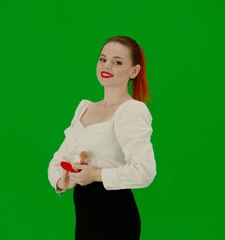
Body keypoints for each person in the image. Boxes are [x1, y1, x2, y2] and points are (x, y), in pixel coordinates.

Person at [47, 36, 156, 240]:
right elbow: (58, 159)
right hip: (85, 216)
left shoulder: (131, 110)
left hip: (115, 217)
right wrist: (65, 180)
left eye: (118, 62)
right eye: (103, 59)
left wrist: (95, 175)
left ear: (134, 71)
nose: (107, 66)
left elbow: (144, 171)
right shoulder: (85, 108)